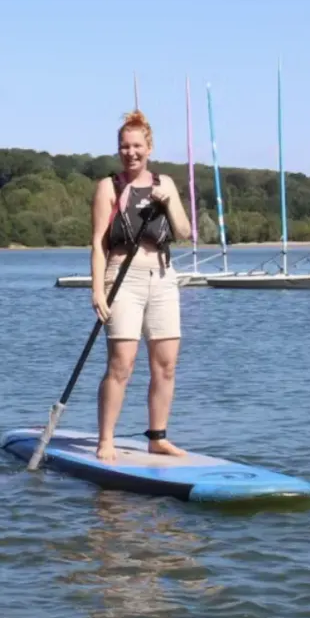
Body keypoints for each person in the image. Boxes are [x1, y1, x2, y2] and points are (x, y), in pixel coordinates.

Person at [90, 109, 192, 463]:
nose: (130, 152)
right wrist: (98, 290)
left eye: (136, 146)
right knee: (122, 364)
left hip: (162, 276)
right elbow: (99, 244)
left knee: (166, 364)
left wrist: (167, 200)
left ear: (149, 147)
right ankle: (106, 439)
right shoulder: (109, 186)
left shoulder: (165, 184)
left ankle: (158, 436)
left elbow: (184, 232)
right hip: (122, 276)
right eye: (124, 146)